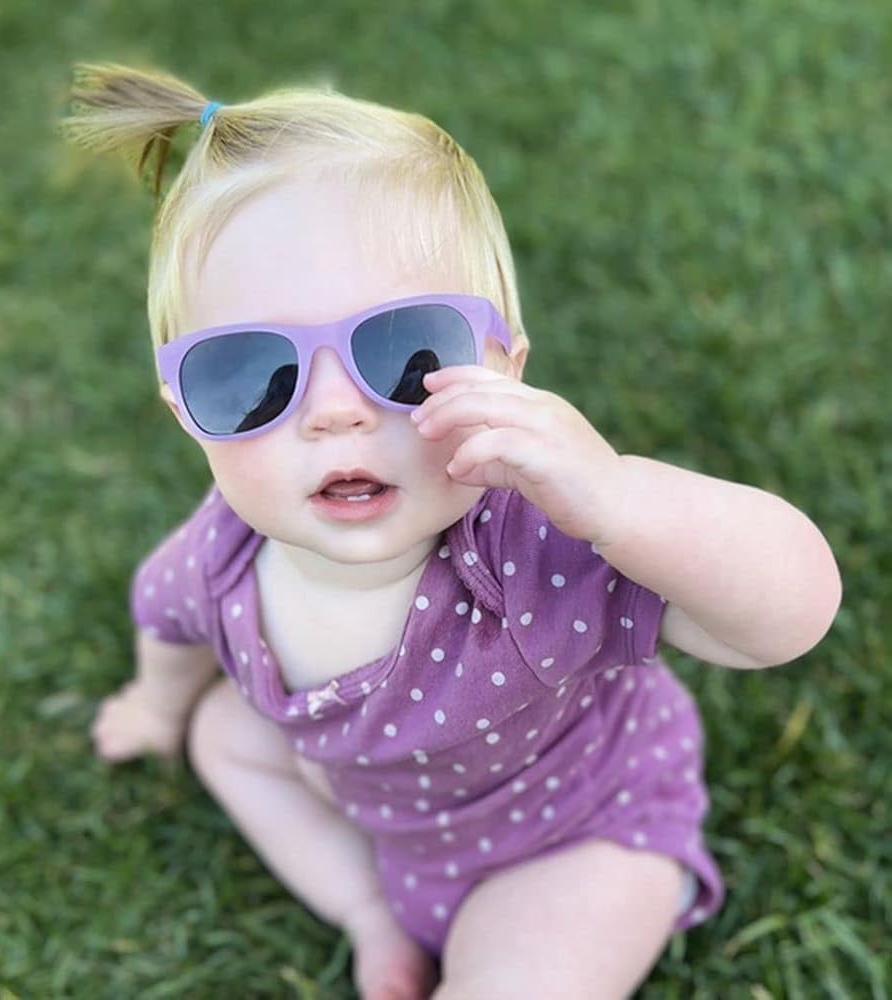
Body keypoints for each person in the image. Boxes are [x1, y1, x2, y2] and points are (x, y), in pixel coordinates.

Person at [61, 63, 842, 1000]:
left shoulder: (537, 551)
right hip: (386, 824)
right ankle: (370, 912)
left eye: (405, 353)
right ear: (187, 413)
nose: (336, 412)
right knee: (223, 734)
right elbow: (166, 622)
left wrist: (621, 499)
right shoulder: (221, 557)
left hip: (573, 836)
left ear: (506, 371)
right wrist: (156, 706)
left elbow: (790, 614)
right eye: (250, 376)